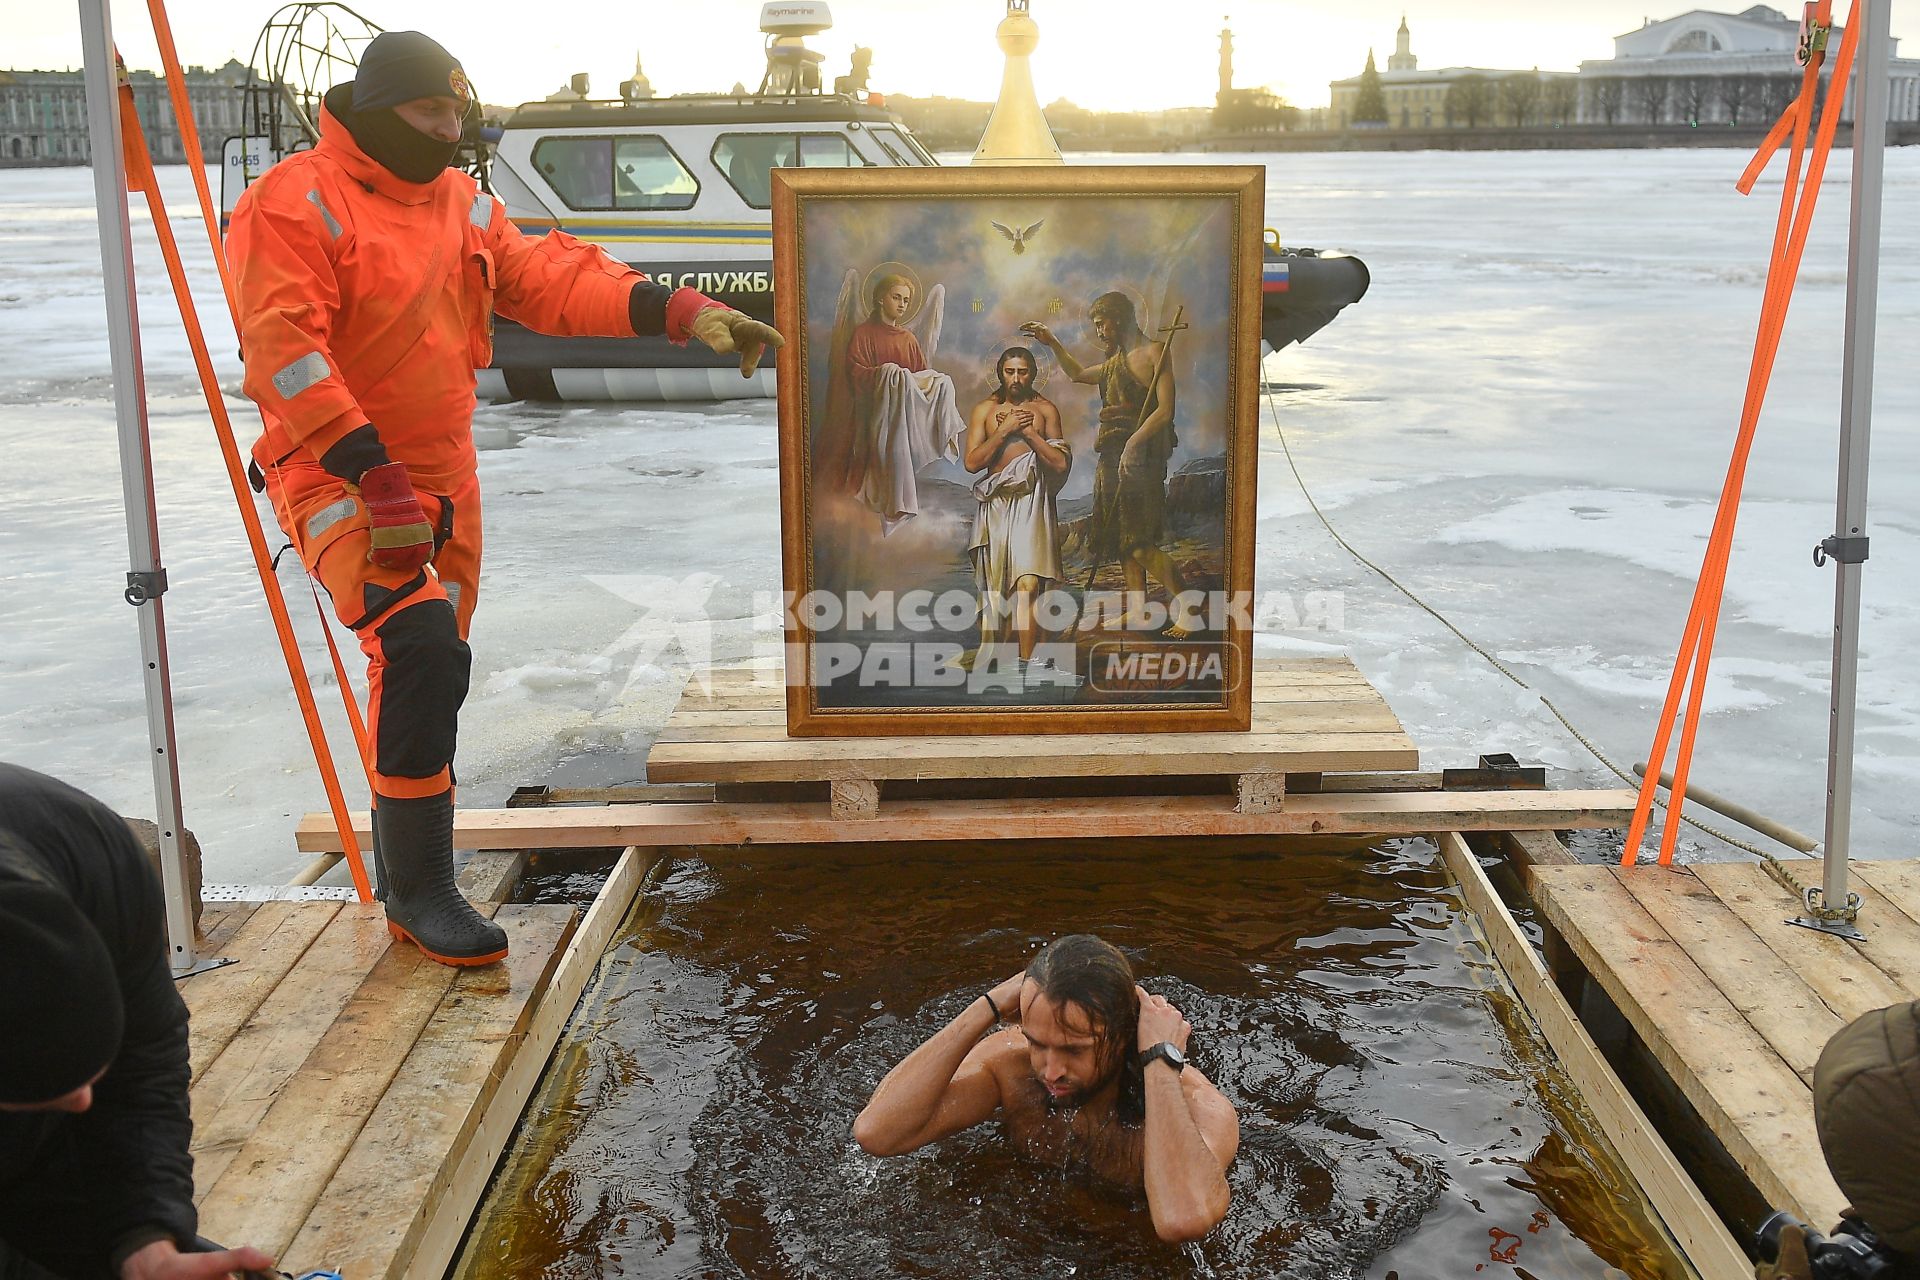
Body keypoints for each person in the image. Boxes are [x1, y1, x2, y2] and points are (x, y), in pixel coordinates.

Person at [227, 31, 781, 967]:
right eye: (428, 114)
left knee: (428, 673)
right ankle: (425, 891)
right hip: (337, 472)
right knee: (420, 648)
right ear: (375, 110)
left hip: (443, 480)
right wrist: (371, 469)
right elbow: (285, 350)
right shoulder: (292, 204)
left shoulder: (463, 206)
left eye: (457, 114)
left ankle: (409, 874)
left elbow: (550, 279)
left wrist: (683, 312)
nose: (449, 131)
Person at [0, 764, 274, 1280]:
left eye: (87, 1070)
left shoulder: (91, 854)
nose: (83, 1098)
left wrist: (145, 1232)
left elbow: (146, 1055)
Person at [852, 934, 1239, 1243]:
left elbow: (1181, 1221)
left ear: (1124, 1037)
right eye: (1037, 1042)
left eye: (1073, 1050)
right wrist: (985, 1007)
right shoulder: (1011, 1066)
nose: (1050, 1071)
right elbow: (878, 1133)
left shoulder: (1197, 1105)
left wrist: (1159, 1057)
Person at [1022, 295, 1192, 638]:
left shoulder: (1155, 353)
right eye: (1096, 325)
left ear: (1121, 319)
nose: (1099, 331)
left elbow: (1165, 410)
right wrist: (1052, 342)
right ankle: (1139, 610)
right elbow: (1079, 374)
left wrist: (1133, 443)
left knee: (1140, 539)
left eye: (1103, 323)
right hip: (1111, 454)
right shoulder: (1116, 360)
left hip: (1141, 455)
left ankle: (1188, 608)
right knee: (1122, 538)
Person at [820, 272, 965, 532]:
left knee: (941, 381)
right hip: (873, 415)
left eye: (906, 301)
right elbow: (854, 373)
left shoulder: (908, 340)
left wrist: (928, 385)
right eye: (896, 297)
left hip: (903, 416)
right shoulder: (863, 334)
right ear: (879, 299)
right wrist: (885, 373)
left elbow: (921, 378)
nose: (901, 304)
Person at [962, 347, 1070, 668]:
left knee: (1029, 583)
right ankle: (1008, 654)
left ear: (1033, 373)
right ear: (1000, 372)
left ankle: (1029, 660)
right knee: (999, 587)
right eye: (1010, 372)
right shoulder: (984, 410)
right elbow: (972, 462)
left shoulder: (1046, 410)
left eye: (1022, 372)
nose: (1016, 379)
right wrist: (1005, 430)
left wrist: (1029, 433)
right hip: (995, 503)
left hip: (1031, 499)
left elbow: (1060, 463)